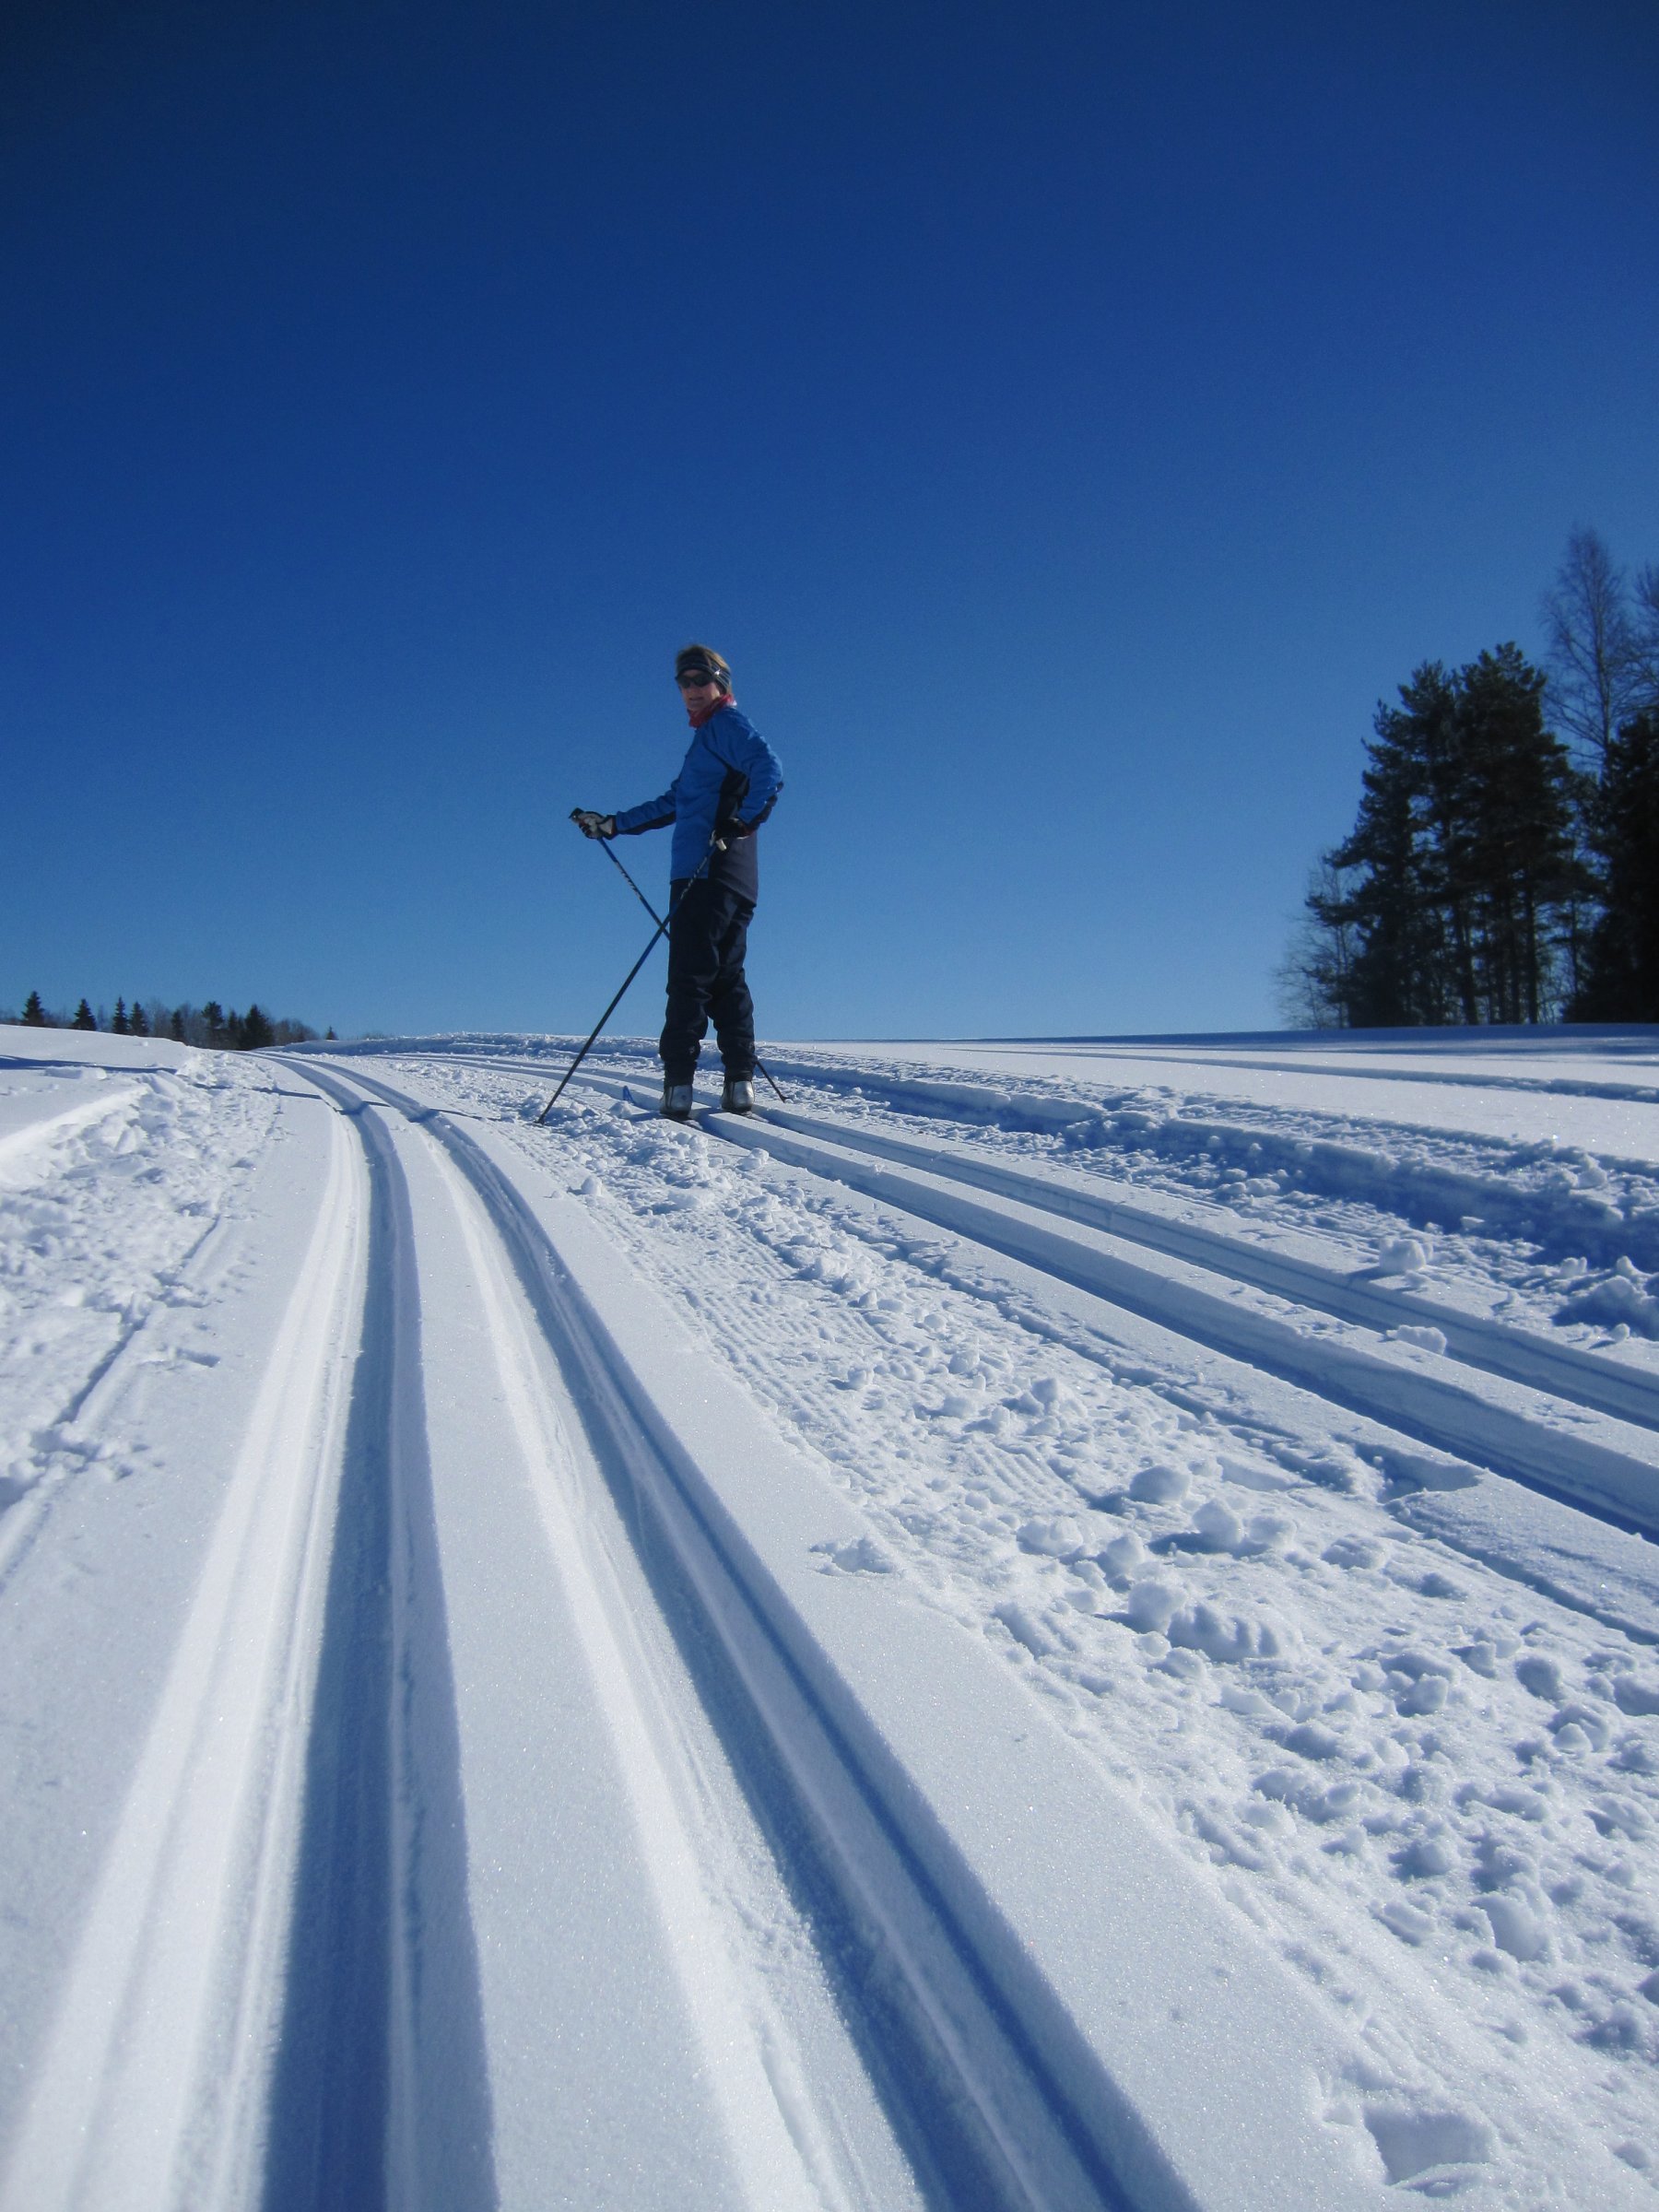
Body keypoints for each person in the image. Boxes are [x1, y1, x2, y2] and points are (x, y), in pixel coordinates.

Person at [573, 644, 783, 1119]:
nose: (690, 690)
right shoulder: (709, 738)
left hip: (704, 871)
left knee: (688, 977)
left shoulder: (725, 726)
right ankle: (739, 1083)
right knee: (726, 976)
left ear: (720, 683)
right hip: (737, 877)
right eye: (683, 683)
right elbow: (675, 802)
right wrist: (613, 825)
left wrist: (741, 822)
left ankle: (679, 1087)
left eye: (699, 680)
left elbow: (770, 769)